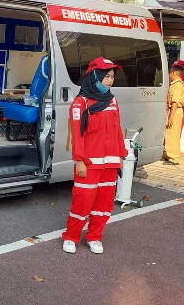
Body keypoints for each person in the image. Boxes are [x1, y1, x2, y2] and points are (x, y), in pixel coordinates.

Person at [62, 57, 127, 255]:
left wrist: (121, 156)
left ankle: (95, 237)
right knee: (83, 201)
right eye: (106, 76)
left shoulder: (113, 101)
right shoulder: (79, 103)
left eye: (112, 77)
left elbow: (117, 131)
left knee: (104, 204)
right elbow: (77, 134)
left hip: (110, 163)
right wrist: (79, 160)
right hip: (88, 164)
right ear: (94, 77)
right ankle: (71, 237)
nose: (110, 81)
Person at [163, 66, 184, 166]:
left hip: (175, 111)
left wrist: (171, 117)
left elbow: (175, 102)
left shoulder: (178, 85)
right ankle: (170, 154)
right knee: (169, 133)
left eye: (170, 72)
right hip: (174, 110)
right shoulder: (175, 84)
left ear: (174, 73)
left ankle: (174, 158)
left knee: (173, 134)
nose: (169, 74)